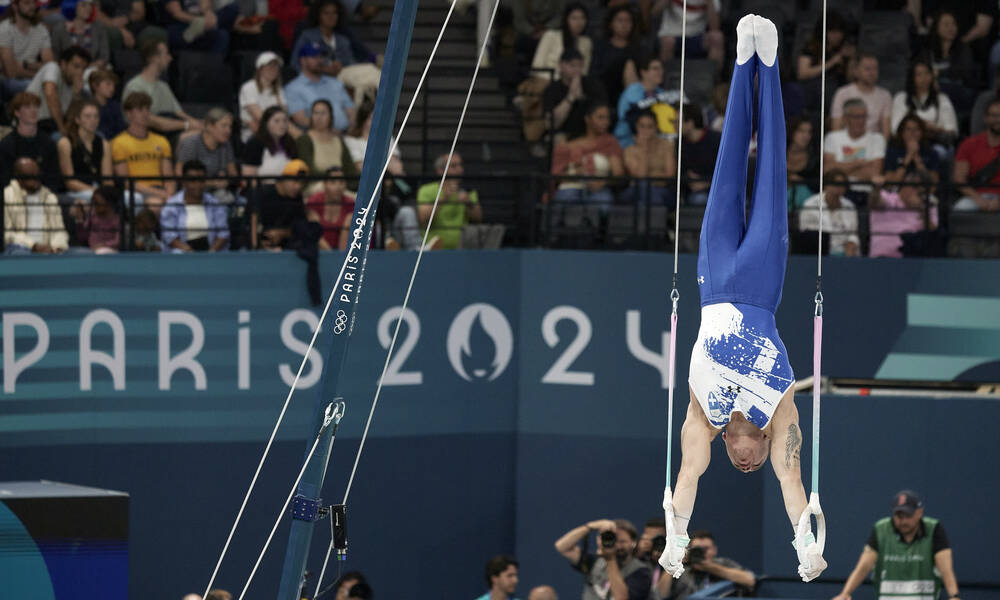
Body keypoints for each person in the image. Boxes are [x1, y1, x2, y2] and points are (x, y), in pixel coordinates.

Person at [658, 15, 826, 584]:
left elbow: (685, 481)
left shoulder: (702, 418)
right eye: (748, 459)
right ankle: (770, 67)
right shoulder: (778, 411)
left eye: (739, 459)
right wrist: (805, 543)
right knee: (771, 167)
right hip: (759, 283)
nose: (745, 462)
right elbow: (791, 480)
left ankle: (739, 61)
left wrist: (675, 540)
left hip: (711, 277)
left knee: (728, 164)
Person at [832, 490, 959, 600]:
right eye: (899, 515)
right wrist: (845, 594)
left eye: (908, 515)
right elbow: (864, 566)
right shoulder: (881, 529)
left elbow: (946, 569)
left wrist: (954, 596)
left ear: (919, 512)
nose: (903, 521)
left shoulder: (934, 529)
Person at [290, 0, 381, 106]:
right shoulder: (307, 36)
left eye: (335, 13)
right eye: (326, 13)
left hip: (342, 76)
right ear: (318, 15)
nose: (331, 16)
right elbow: (295, 64)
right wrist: (323, 69)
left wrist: (339, 66)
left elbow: (351, 63)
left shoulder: (342, 39)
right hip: (316, 79)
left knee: (371, 72)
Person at [554, 518, 652, 600]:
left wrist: (610, 559)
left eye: (622, 541)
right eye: (614, 540)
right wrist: (591, 526)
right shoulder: (594, 561)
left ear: (633, 542)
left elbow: (622, 598)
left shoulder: (641, 571)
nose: (617, 546)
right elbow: (562, 547)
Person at [111, 91, 175, 211]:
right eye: (140, 109)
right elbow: (125, 182)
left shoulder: (161, 141)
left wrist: (169, 195)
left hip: (161, 191)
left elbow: (168, 177)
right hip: (137, 192)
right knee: (155, 204)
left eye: (147, 109)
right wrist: (159, 194)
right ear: (128, 114)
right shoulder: (119, 143)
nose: (145, 113)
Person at [122, 38, 202, 134]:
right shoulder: (135, 86)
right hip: (148, 136)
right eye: (166, 54)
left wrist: (198, 124)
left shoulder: (164, 86)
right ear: (154, 58)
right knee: (194, 137)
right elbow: (148, 119)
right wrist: (186, 125)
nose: (170, 58)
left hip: (170, 132)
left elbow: (179, 113)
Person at [551, 103, 624, 208]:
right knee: (566, 199)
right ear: (587, 119)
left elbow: (618, 173)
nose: (606, 122)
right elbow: (556, 175)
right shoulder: (568, 146)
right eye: (600, 117)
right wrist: (575, 174)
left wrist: (602, 183)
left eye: (607, 118)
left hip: (599, 189)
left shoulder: (610, 142)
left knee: (603, 203)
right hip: (570, 186)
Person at [655, 530, 755, 600]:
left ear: (715, 550)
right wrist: (674, 563)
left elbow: (750, 580)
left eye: (706, 549)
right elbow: (660, 595)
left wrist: (710, 567)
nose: (702, 553)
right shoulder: (680, 567)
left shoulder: (722, 563)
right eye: (697, 549)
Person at [823, 98, 886, 205]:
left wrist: (840, 168)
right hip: (838, 194)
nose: (860, 121)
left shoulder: (877, 139)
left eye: (863, 116)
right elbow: (828, 171)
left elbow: (874, 173)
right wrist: (859, 163)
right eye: (856, 117)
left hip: (866, 195)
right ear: (846, 118)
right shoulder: (833, 137)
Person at [160, 159, 229, 252]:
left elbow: (223, 233)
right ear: (184, 182)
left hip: (210, 251)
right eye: (192, 180)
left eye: (201, 180)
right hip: (183, 251)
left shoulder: (214, 204)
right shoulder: (172, 205)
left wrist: (211, 252)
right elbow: (169, 236)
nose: (197, 184)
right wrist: (190, 253)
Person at [285, 41, 355, 133]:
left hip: (346, 134)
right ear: (303, 61)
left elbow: (350, 110)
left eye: (321, 56)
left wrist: (351, 129)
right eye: (314, 57)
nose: (319, 60)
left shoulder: (335, 83)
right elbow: (302, 120)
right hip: (318, 137)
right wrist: (330, 132)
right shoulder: (292, 88)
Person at [3, 157, 69, 254]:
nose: (36, 178)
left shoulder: (49, 197)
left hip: (49, 248)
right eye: (31, 175)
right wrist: (33, 245)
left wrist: (56, 247)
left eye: (37, 174)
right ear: (18, 177)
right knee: (19, 253)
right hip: (21, 247)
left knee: (83, 254)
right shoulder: (6, 196)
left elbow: (59, 230)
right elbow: (6, 234)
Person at [417, 152, 482, 249]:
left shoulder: (468, 191)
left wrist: (468, 202)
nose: (460, 170)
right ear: (440, 171)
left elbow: (478, 218)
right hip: (432, 250)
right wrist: (444, 198)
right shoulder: (426, 190)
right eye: (454, 166)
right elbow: (423, 218)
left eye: (460, 165)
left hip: (462, 250)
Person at [0, 92, 62, 191]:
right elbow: (4, 178)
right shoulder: (7, 144)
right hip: (14, 196)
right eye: (27, 107)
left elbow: (54, 177)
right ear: (17, 112)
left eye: (36, 107)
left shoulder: (48, 143)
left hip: (43, 194)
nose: (33, 111)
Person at [614, 55, 681, 147]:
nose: (660, 72)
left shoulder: (661, 93)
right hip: (628, 139)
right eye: (655, 69)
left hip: (655, 138)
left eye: (661, 68)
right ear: (643, 72)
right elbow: (629, 118)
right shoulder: (632, 91)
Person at [175, 107, 238, 204]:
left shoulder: (226, 145)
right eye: (224, 126)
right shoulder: (191, 143)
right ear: (209, 126)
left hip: (218, 192)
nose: (228, 131)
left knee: (238, 201)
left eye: (230, 127)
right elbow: (180, 174)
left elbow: (233, 174)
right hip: (192, 192)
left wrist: (226, 181)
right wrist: (214, 183)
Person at [869, 170, 938, 258]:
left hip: (912, 258)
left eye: (921, 192)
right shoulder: (886, 196)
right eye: (914, 187)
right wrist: (876, 188)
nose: (915, 193)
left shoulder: (928, 205)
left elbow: (932, 232)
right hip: (882, 257)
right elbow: (873, 202)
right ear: (905, 183)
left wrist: (921, 210)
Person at [295, 98, 359, 194]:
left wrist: (344, 183)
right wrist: (333, 179)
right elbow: (308, 170)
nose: (319, 117)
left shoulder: (338, 141)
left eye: (323, 113)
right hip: (316, 187)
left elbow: (350, 170)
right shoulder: (304, 140)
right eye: (316, 113)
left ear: (331, 117)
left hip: (341, 187)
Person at [542, 47, 607, 141]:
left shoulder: (593, 85)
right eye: (572, 65)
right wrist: (570, 97)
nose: (577, 70)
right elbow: (551, 124)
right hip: (562, 135)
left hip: (589, 134)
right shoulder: (552, 89)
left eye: (580, 66)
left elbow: (602, 115)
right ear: (561, 65)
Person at [795, 11, 854, 112]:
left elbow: (850, 79)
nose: (837, 36)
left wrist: (851, 60)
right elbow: (802, 73)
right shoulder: (811, 47)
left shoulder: (843, 50)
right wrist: (832, 62)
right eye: (833, 32)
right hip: (813, 91)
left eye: (840, 32)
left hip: (836, 92)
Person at [890, 61, 957, 148]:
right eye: (919, 74)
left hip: (935, 143)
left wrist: (934, 128)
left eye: (927, 73)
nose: (924, 78)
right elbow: (895, 129)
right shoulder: (901, 98)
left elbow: (951, 131)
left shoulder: (942, 99)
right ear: (912, 77)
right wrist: (921, 126)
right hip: (905, 144)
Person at [26, 45, 91, 136]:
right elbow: (50, 94)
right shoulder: (52, 68)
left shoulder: (72, 84)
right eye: (76, 66)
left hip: (51, 127)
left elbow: (68, 117)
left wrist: (76, 95)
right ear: (63, 64)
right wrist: (61, 129)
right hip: (34, 123)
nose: (80, 72)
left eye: (83, 69)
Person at [57, 97, 113, 201]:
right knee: (91, 198)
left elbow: (108, 179)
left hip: (100, 190)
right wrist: (96, 192)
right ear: (77, 119)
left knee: (134, 198)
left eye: (96, 116)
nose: (93, 120)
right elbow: (70, 182)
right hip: (77, 192)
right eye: (88, 116)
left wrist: (106, 192)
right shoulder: (65, 143)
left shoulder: (104, 144)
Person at [798, 169, 861, 257]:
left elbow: (853, 233)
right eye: (835, 184)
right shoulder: (810, 204)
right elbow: (805, 231)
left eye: (841, 185)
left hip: (843, 251)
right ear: (826, 185)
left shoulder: (849, 206)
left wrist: (851, 243)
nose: (838, 188)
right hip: (817, 252)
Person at [829, 53, 892, 140]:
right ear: (856, 71)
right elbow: (836, 127)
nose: (872, 73)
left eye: (875, 69)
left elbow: (886, 131)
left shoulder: (885, 95)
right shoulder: (842, 93)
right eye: (867, 69)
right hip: (846, 144)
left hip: (872, 145)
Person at [0, 0, 55, 98]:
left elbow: (50, 65)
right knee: (42, 87)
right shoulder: (4, 29)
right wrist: (39, 72)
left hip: (34, 79)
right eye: (27, 3)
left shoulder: (41, 30)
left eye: (33, 3)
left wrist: (25, 65)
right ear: (15, 6)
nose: (32, 6)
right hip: (9, 82)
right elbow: (11, 72)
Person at [953, 99, 1000, 212]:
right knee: (960, 209)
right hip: (977, 195)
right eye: (994, 115)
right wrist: (978, 199)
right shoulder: (969, 144)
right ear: (986, 118)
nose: (998, 119)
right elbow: (959, 179)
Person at [252, 158, 308, 250]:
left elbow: (301, 227)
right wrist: (257, 245)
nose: (298, 187)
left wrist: (282, 233)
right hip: (260, 245)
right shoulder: (263, 193)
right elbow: (253, 220)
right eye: (295, 181)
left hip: (286, 247)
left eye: (302, 183)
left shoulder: (297, 198)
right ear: (284, 178)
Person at [589, 5, 640, 107]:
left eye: (628, 21)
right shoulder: (600, 47)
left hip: (630, 93)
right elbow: (594, 75)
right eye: (620, 20)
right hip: (605, 93)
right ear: (611, 24)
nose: (624, 24)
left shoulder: (638, 48)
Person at [624, 109, 676, 205]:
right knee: (641, 189)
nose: (645, 130)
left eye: (650, 127)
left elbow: (669, 177)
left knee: (649, 192)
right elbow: (641, 178)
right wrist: (644, 149)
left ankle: (654, 218)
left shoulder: (667, 146)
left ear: (656, 127)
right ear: (636, 127)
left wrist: (649, 178)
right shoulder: (629, 150)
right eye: (642, 126)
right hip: (636, 191)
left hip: (662, 190)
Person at [653, 0, 723, 66]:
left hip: (697, 36)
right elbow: (654, 12)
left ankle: (715, 77)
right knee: (667, 42)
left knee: (717, 38)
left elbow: (715, 27)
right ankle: (663, 76)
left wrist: (709, 2)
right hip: (671, 34)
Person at [531, 3, 592, 79]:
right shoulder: (551, 35)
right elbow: (536, 67)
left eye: (582, 18)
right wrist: (559, 80)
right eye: (574, 18)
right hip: (548, 81)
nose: (579, 22)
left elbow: (584, 71)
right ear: (566, 20)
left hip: (574, 83)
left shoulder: (586, 42)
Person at [238, 51, 289, 142]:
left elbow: (284, 114)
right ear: (260, 69)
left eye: (276, 66)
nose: (274, 69)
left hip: (278, 134)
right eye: (269, 65)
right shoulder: (248, 87)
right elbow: (261, 118)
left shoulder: (279, 89)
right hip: (254, 136)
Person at [306, 166, 355, 250]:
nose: (338, 187)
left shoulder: (350, 204)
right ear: (325, 184)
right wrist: (331, 257)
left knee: (350, 219)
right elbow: (316, 236)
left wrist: (339, 259)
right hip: (319, 253)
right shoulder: (314, 201)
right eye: (333, 182)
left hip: (342, 254)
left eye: (341, 182)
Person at [241, 105, 298, 178]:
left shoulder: (290, 143)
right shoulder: (255, 143)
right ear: (266, 123)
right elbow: (248, 177)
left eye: (284, 121)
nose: (282, 125)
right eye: (276, 121)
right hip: (262, 187)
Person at [680, 104, 720, 206]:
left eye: (678, 122)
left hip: (717, 188)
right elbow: (681, 171)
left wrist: (707, 183)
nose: (674, 125)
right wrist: (689, 178)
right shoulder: (679, 143)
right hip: (691, 191)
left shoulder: (716, 140)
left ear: (690, 123)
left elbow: (726, 169)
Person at [163, 0, 239, 54]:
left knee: (223, 34)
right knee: (221, 33)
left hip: (201, 27)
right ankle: (201, 27)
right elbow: (177, 14)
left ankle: (212, 71)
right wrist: (198, 21)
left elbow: (206, 7)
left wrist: (208, 14)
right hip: (182, 27)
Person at [883, 115, 940, 184]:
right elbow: (891, 182)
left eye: (916, 129)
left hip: (922, 193)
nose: (912, 133)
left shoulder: (931, 153)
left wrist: (917, 158)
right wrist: (908, 156)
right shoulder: (892, 152)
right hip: (897, 192)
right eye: (908, 129)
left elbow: (933, 184)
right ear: (902, 133)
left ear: (922, 132)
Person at [51, 0, 110, 66]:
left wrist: (91, 68)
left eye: (90, 4)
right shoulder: (60, 29)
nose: (89, 8)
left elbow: (104, 57)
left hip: (94, 70)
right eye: (83, 5)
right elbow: (55, 57)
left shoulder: (99, 27)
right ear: (72, 6)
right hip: (67, 71)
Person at [786, 116, 820, 209]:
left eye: (809, 132)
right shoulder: (778, 153)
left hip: (805, 205)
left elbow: (819, 186)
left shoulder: (816, 158)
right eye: (801, 131)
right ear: (792, 132)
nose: (806, 136)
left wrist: (801, 181)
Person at [74, 185, 120, 252]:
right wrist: (79, 219)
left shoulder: (117, 219)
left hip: (110, 250)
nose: (94, 205)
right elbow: (83, 236)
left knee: (101, 252)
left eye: (97, 203)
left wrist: (103, 245)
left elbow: (118, 241)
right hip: (91, 249)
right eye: (93, 202)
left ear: (109, 203)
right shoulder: (93, 216)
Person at [89, 69, 127, 140]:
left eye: (113, 84)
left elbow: (121, 128)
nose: (112, 88)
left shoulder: (115, 106)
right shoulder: (88, 106)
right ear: (95, 85)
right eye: (108, 84)